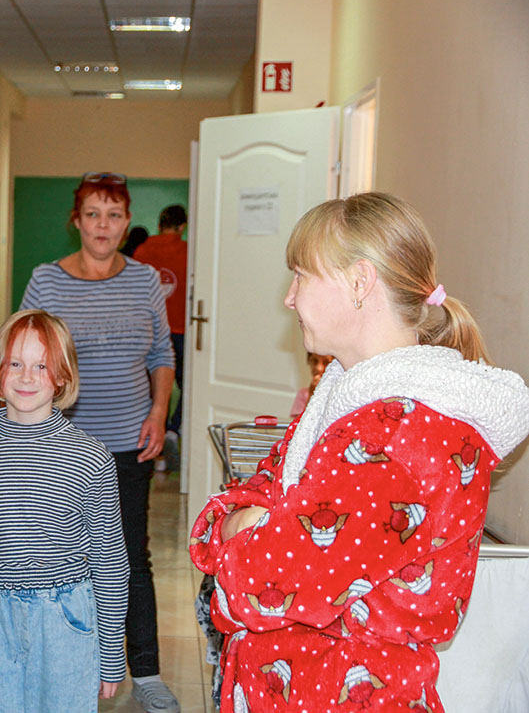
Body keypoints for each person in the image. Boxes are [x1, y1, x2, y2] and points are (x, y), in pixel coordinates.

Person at [189, 192, 529, 712]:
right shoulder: (345, 397)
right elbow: (246, 495)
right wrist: (246, 522)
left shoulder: (397, 434)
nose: (289, 296)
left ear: (359, 282)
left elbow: (254, 584)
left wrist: (243, 528)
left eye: (301, 275)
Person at [20, 172, 180, 713]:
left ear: (126, 221)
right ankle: (68, 663)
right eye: (93, 214)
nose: (103, 225)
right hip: (60, 446)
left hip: (128, 444)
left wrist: (159, 412)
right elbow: (27, 351)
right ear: (77, 221)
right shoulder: (46, 280)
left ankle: (148, 672)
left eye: (113, 215)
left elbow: (161, 354)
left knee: (130, 557)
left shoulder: (143, 283)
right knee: (59, 557)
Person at [0, 309, 128, 712]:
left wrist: (113, 652)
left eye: (42, 366)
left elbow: (109, 559)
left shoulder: (91, 457)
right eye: (15, 363)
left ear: (62, 376)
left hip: (67, 621)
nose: (27, 377)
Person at [134, 204, 188, 460]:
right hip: (181, 329)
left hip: (149, 330)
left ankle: (149, 439)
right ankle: (172, 430)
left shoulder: (142, 251)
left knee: (151, 388)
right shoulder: (189, 251)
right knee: (187, 386)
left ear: (159, 224)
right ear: (182, 226)